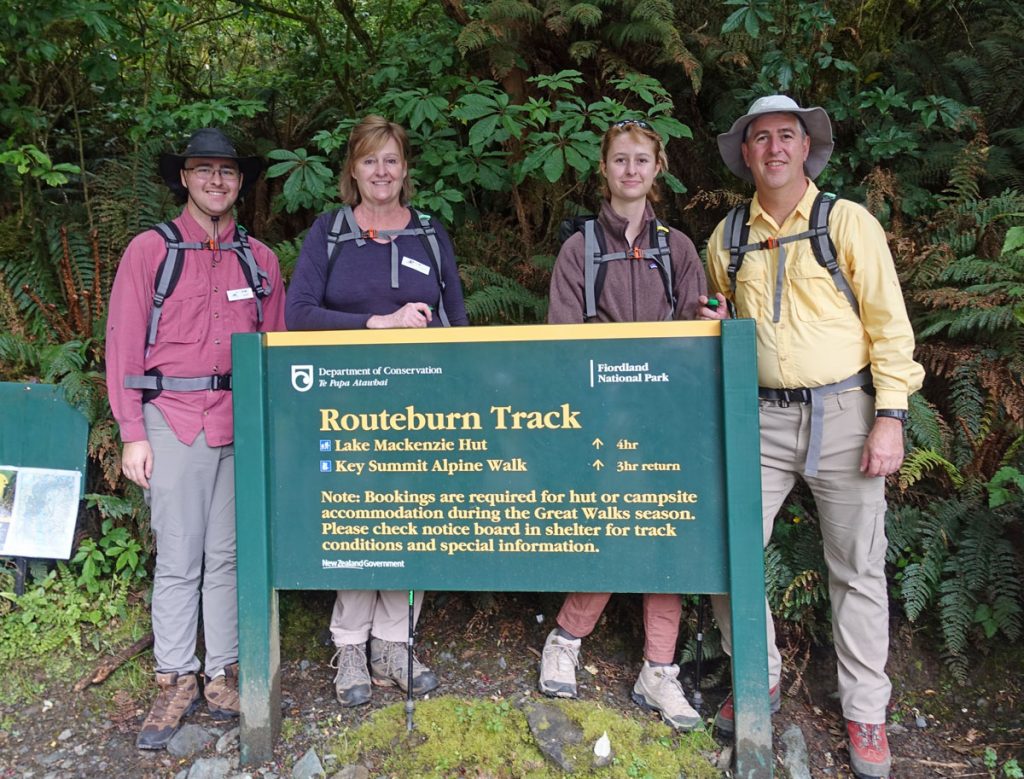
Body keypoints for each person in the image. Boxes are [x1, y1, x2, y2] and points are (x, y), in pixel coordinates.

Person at [701, 95, 924, 778]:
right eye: (760, 137)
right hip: (758, 417)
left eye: (786, 136)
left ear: (807, 147)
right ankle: (758, 682)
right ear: (745, 152)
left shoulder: (847, 223)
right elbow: (722, 322)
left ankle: (866, 714)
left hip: (847, 411)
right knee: (727, 547)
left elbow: (889, 325)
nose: (773, 148)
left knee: (856, 567)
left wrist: (892, 415)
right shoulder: (726, 238)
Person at [106, 128, 286, 750]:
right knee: (180, 555)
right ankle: (175, 676)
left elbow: (277, 353)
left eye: (227, 171)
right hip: (173, 419)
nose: (216, 180)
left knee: (230, 555)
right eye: (203, 169)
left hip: (240, 421)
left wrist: (274, 434)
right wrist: (133, 432)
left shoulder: (260, 261)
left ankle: (222, 673)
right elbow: (123, 345)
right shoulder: (151, 252)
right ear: (183, 177)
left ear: (241, 182)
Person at [286, 115, 467, 707]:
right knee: (358, 518)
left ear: (406, 168)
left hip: (420, 404)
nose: (381, 172)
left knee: (412, 516)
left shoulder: (430, 233)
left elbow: (457, 324)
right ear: (353, 171)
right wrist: (377, 323)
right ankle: (350, 646)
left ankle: (396, 642)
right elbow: (299, 314)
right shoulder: (330, 232)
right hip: (349, 404)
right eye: (369, 161)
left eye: (391, 160)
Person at [540, 119, 708, 731]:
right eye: (620, 160)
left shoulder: (680, 248)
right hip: (601, 416)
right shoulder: (578, 248)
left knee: (669, 533)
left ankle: (659, 670)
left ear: (657, 168)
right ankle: (566, 639)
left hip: (668, 419)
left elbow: (697, 336)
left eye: (642, 160)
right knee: (607, 526)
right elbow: (562, 343)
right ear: (603, 168)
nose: (631, 170)